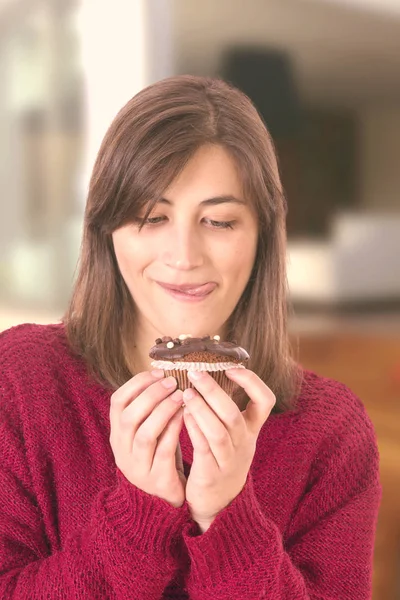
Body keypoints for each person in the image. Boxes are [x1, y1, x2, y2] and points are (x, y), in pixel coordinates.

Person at [0, 75, 381, 599]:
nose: (183, 257)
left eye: (220, 221)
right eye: (152, 217)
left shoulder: (330, 432)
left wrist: (229, 519)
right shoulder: (19, 383)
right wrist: (137, 516)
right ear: (107, 229)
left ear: (263, 236)